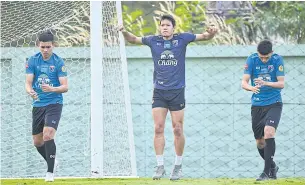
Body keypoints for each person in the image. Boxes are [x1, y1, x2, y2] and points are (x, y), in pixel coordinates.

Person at [119, 14, 217, 180]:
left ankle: (178, 166)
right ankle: (159, 166)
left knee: (177, 128)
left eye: (167, 25)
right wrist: (123, 32)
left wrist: (212, 33)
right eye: (162, 25)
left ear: (173, 28)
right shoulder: (153, 40)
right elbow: (133, 39)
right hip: (159, 91)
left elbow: (205, 36)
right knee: (158, 128)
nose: (164, 27)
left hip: (177, 91)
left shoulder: (183, 38)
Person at [25, 31, 68, 182]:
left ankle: (50, 173)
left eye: (48, 47)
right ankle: (53, 161)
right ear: (38, 45)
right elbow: (28, 82)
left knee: (48, 134)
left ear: (53, 46)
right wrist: (30, 91)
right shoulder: (32, 61)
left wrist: (52, 89)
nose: (45, 50)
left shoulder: (58, 62)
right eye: (42, 47)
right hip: (38, 104)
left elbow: (65, 87)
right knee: (37, 142)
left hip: (54, 103)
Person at [241, 40, 284, 181]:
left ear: (272, 52)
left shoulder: (277, 60)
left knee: (269, 132)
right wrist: (251, 88)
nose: (264, 59)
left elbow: (281, 84)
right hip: (257, 105)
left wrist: (266, 83)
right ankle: (272, 166)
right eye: (261, 57)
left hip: (274, 103)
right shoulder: (252, 59)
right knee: (260, 142)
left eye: (266, 57)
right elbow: (244, 82)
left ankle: (266, 173)